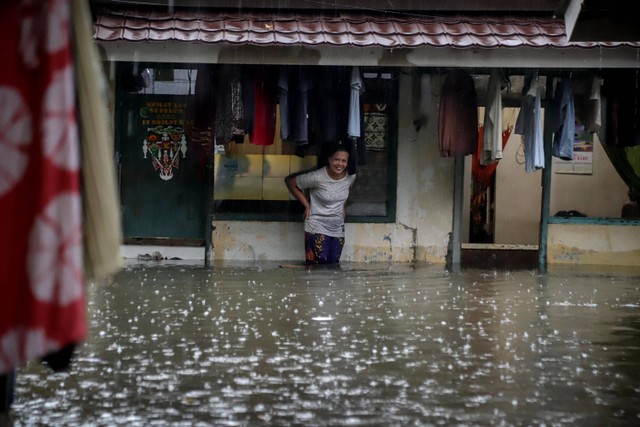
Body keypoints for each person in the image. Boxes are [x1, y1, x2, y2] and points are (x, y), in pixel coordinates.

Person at [285, 143, 356, 265]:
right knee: (318, 267)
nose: (340, 164)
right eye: (336, 159)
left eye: (344, 161)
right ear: (329, 159)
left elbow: (347, 189)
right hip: (316, 225)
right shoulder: (317, 176)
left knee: (334, 266)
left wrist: (343, 206)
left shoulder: (351, 176)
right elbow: (291, 182)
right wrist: (307, 205)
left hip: (337, 226)